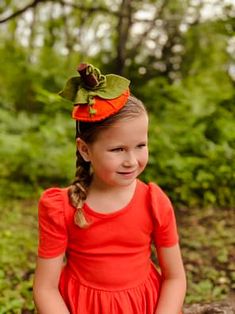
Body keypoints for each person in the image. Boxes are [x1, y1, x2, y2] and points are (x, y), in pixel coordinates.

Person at [33, 63, 186, 314]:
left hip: (143, 306)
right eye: (118, 149)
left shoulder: (153, 202)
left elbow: (175, 278)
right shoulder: (61, 207)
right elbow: (45, 289)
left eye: (140, 145)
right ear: (85, 150)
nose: (132, 160)